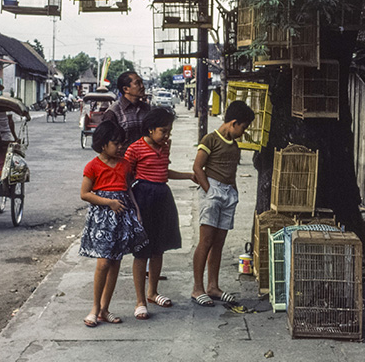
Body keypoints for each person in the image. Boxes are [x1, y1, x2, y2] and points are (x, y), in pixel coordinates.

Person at [125, 108, 194, 320]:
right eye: (163, 131)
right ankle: (140, 301)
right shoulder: (135, 149)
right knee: (141, 251)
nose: (166, 136)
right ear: (151, 128)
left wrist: (189, 176)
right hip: (143, 198)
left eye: (169, 131)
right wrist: (134, 207)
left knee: (158, 249)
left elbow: (163, 173)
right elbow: (126, 179)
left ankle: (153, 292)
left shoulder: (165, 147)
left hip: (162, 198)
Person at [79, 120, 148, 327]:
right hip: (102, 218)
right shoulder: (92, 166)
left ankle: (104, 309)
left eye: (121, 143)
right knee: (103, 263)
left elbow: (127, 190)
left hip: (122, 217)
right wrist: (108, 202)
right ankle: (94, 307)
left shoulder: (125, 165)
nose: (120, 148)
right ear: (102, 144)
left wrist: (136, 210)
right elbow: (84, 194)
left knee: (116, 261)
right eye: (116, 143)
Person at [190, 100, 255, 306]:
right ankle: (197, 288)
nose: (243, 132)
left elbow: (232, 171)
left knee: (218, 243)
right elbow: (197, 167)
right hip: (213, 191)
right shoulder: (210, 139)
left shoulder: (235, 146)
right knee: (206, 241)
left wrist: (233, 190)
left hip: (229, 193)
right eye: (243, 128)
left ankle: (213, 286)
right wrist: (210, 192)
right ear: (233, 123)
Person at [103, 71, 151, 149]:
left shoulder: (147, 109)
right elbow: (106, 144)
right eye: (138, 83)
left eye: (142, 83)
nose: (142, 86)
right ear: (126, 89)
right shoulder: (113, 112)